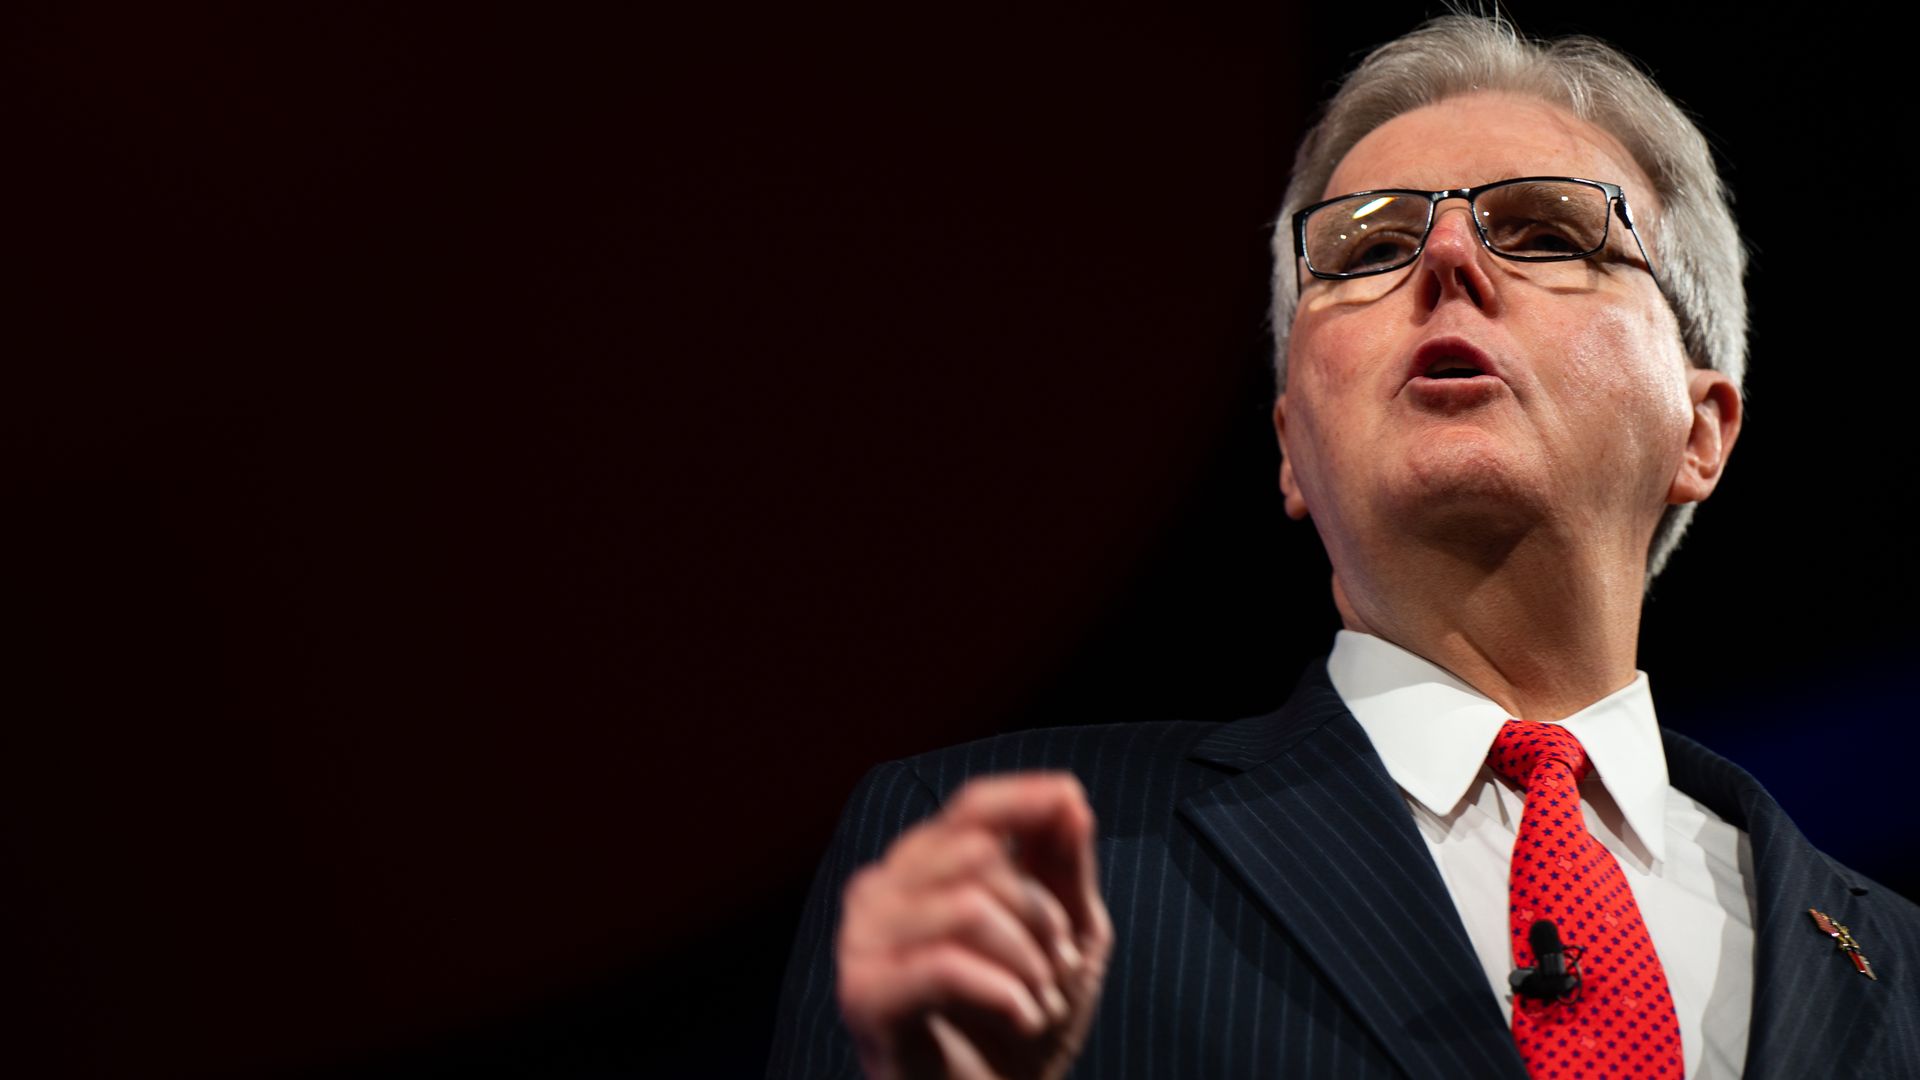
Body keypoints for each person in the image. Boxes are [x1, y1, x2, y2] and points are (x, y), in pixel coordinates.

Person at [767, 15, 1920, 1079]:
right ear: (1289, 448)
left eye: (1543, 228)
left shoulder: (1895, 970)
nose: (1449, 261)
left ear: (1700, 429)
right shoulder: (1001, 856)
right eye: (1367, 251)